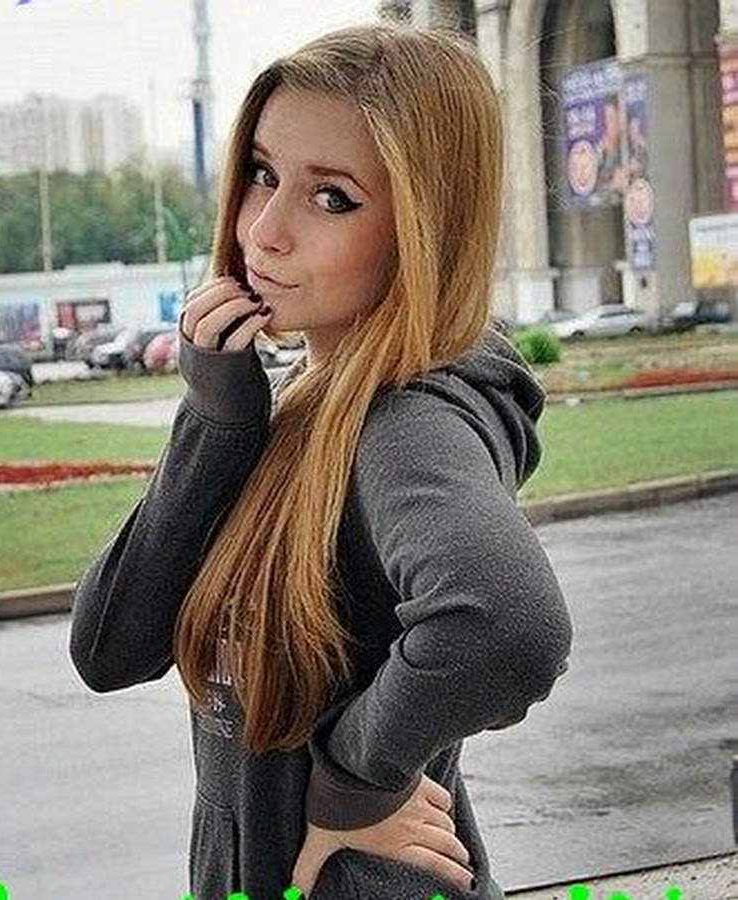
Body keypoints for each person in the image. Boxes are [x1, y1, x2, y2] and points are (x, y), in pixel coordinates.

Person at [69, 23, 572, 900]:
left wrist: (352, 781)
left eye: (333, 198)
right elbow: (111, 648)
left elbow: (507, 622)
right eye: (263, 174)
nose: (264, 231)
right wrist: (216, 425)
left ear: (423, 227)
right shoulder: (300, 404)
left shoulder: (407, 420)